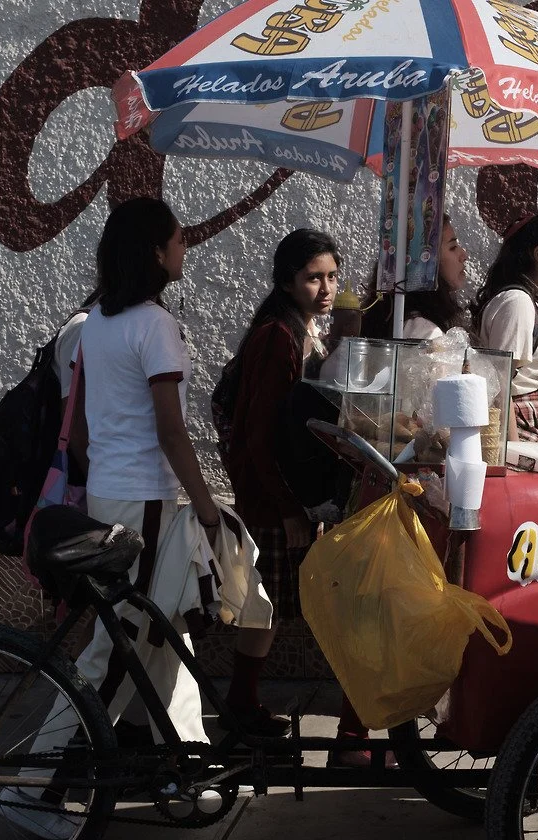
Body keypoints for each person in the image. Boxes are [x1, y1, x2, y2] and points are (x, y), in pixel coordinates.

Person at [0, 197, 233, 838]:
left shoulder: (96, 323)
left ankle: (187, 762)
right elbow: (171, 430)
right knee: (118, 648)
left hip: (108, 493)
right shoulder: (154, 325)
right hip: (145, 506)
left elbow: (76, 438)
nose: (186, 250)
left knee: (164, 631)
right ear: (156, 253)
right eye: (180, 241)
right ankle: (37, 786)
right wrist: (207, 507)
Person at [226, 229, 383, 766]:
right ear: (286, 281)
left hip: (276, 498)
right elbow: (260, 433)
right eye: (313, 277)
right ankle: (348, 739)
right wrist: (290, 510)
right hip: (276, 502)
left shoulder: (302, 331)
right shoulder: (277, 336)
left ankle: (241, 708)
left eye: (332, 277)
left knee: (263, 606)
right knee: (335, 608)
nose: (325, 287)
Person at [470, 212, 538, 442]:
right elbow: (501, 387)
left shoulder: (532, 302)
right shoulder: (518, 303)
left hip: (530, 421)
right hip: (517, 426)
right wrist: (512, 450)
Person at [361, 214, 469, 340]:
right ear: (425, 261)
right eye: (453, 247)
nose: (463, 255)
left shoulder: (415, 322)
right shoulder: (422, 331)